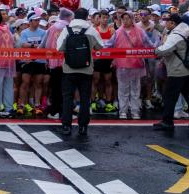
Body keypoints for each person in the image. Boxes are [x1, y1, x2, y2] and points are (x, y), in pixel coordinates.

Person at [55, 8, 104, 136]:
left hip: (68, 69)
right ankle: (83, 126)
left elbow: (59, 48)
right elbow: (100, 46)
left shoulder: (67, 30)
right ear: (87, 17)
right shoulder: (91, 30)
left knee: (67, 97)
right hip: (86, 69)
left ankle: (66, 125)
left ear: (74, 17)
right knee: (85, 98)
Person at [154, 12, 189, 133]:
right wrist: (156, 25)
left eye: (167, 22)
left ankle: (167, 122)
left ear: (173, 23)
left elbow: (165, 50)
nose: (165, 24)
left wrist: (155, 50)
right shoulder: (184, 30)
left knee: (169, 97)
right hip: (187, 70)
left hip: (177, 71)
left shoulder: (175, 36)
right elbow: (165, 30)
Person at [106, 11, 149, 119]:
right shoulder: (118, 32)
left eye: (127, 18)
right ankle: (123, 111)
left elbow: (148, 44)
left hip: (136, 64)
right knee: (122, 89)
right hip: (122, 65)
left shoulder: (140, 31)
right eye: (123, 19)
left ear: (132, 19)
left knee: (135, 89)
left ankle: (135, 111)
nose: (125, 21)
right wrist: (97, 47)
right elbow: (109, 44)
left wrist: (158, 48)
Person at [44, 8, 73, 117]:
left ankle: (55, 111)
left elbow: (46, 44)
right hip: (67, 62)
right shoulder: (70, 28)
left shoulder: (52, 28)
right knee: (67, 89)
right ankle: (66, 112)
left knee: (55, 87)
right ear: (68, 17)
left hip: (54, 62)